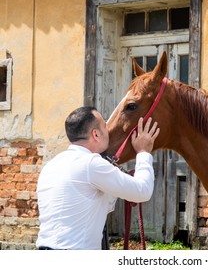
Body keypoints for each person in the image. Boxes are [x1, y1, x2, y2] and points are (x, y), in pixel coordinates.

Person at [35, 106, 159, 250]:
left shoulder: (51, 166)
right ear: (95, 134)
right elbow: (142, 191)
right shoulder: (91, 163)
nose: (109, 131)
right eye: (105, 127)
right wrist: (143, 152)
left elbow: (95, 205)